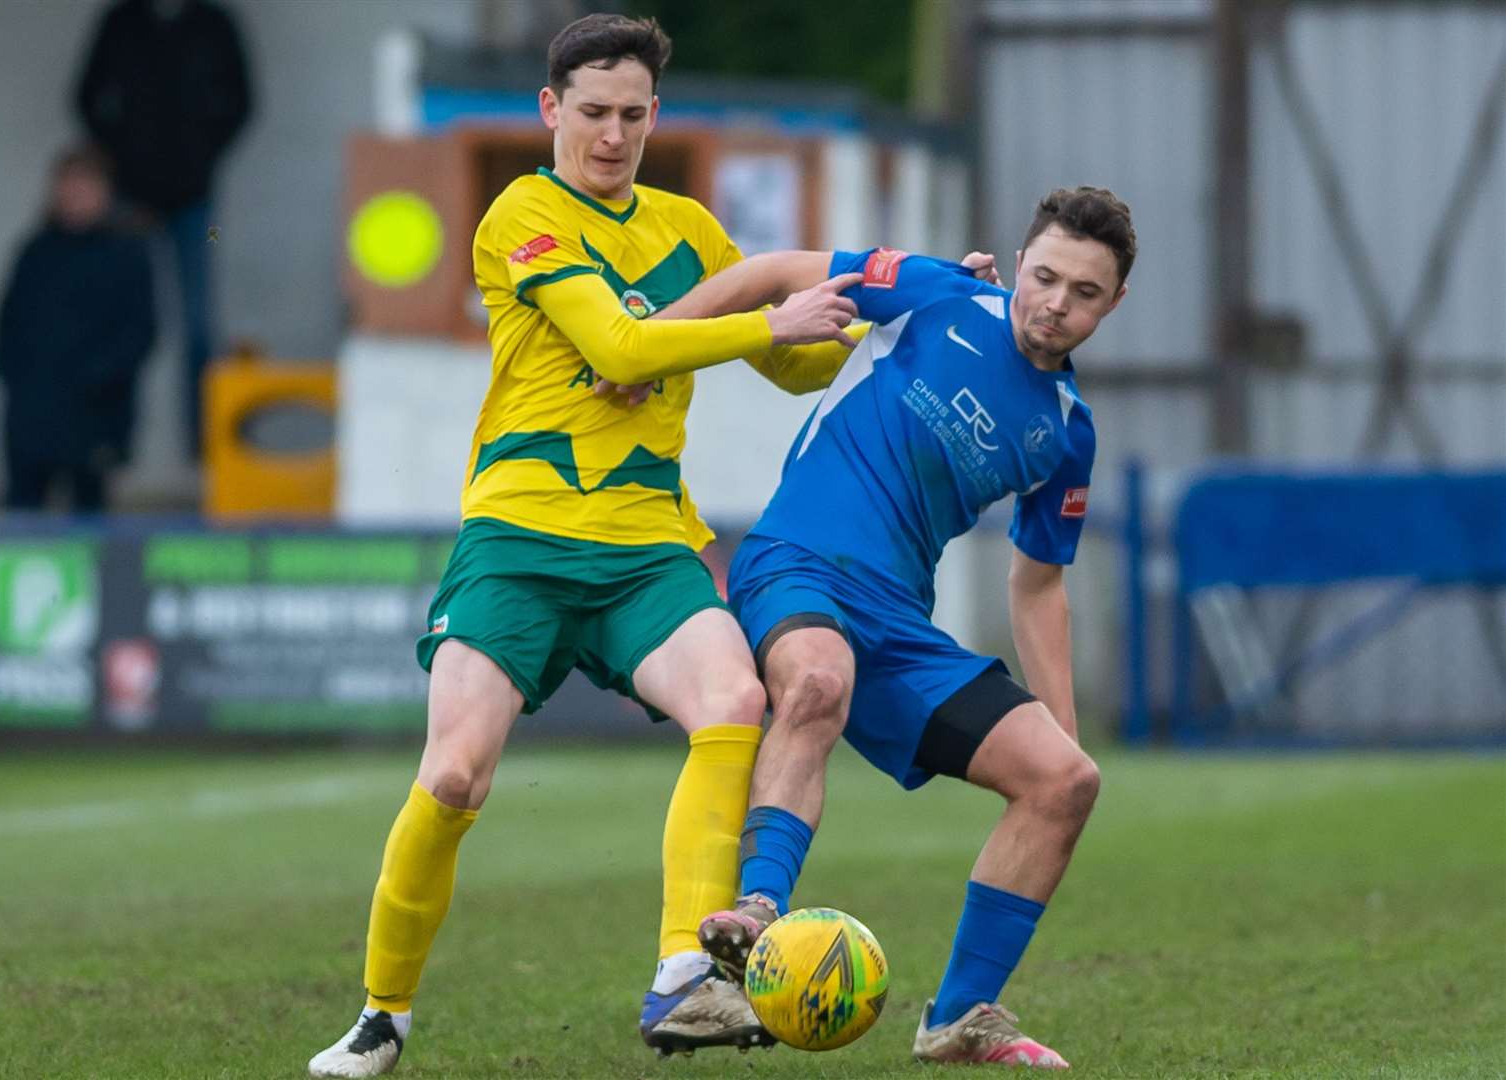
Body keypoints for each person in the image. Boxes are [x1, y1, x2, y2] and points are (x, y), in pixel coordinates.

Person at [307, 14, 862, 1078]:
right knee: (457, 776)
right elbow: (620, 342)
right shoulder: (520, 213)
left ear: (655, 116)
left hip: (644, 543)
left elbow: (792, 368)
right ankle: (383, 1016)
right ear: (550, 110)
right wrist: (763, 320)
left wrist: (867, 310)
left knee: (734, 702)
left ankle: (682, 981)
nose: (612, 136)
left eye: (633, 115)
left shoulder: (688, 227)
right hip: (517, 538)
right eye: (594, 113)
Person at [683, 187, 1135, 1067]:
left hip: (898, 623)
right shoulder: (936, 292)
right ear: (1020, 262)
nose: (1056, 303)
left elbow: (1038, 585)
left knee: (1065, 782)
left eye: (1084, 292)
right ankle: (756, 919)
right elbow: (773, 272)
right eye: (1044, 276)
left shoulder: (1067, 432)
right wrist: (648, 351)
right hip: (796, 562)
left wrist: (1062, 730)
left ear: (1113, 303)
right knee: (815, 682)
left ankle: (960, 1017)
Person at [75, 0, 252, 458]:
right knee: (123, 319)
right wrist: (121, 157)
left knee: (198, 321)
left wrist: (204, 154)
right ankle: (109, 441)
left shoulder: (214, 23)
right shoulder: (121, 22)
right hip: (129, 203)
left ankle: (205, 447)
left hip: (199, 206)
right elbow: (86, 95)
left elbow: (242, 101)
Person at [0, 146, 156, 511]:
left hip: (94, 415)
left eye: (84, 186)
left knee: (90, 526)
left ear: (105, 192)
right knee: (22, 521)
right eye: (67, 186)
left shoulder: (127, 254)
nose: (73, 196)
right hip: (31, 415)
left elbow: (140, 332)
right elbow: (9, 320)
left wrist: (97, 378)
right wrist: (12, 375)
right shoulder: (36, 252)